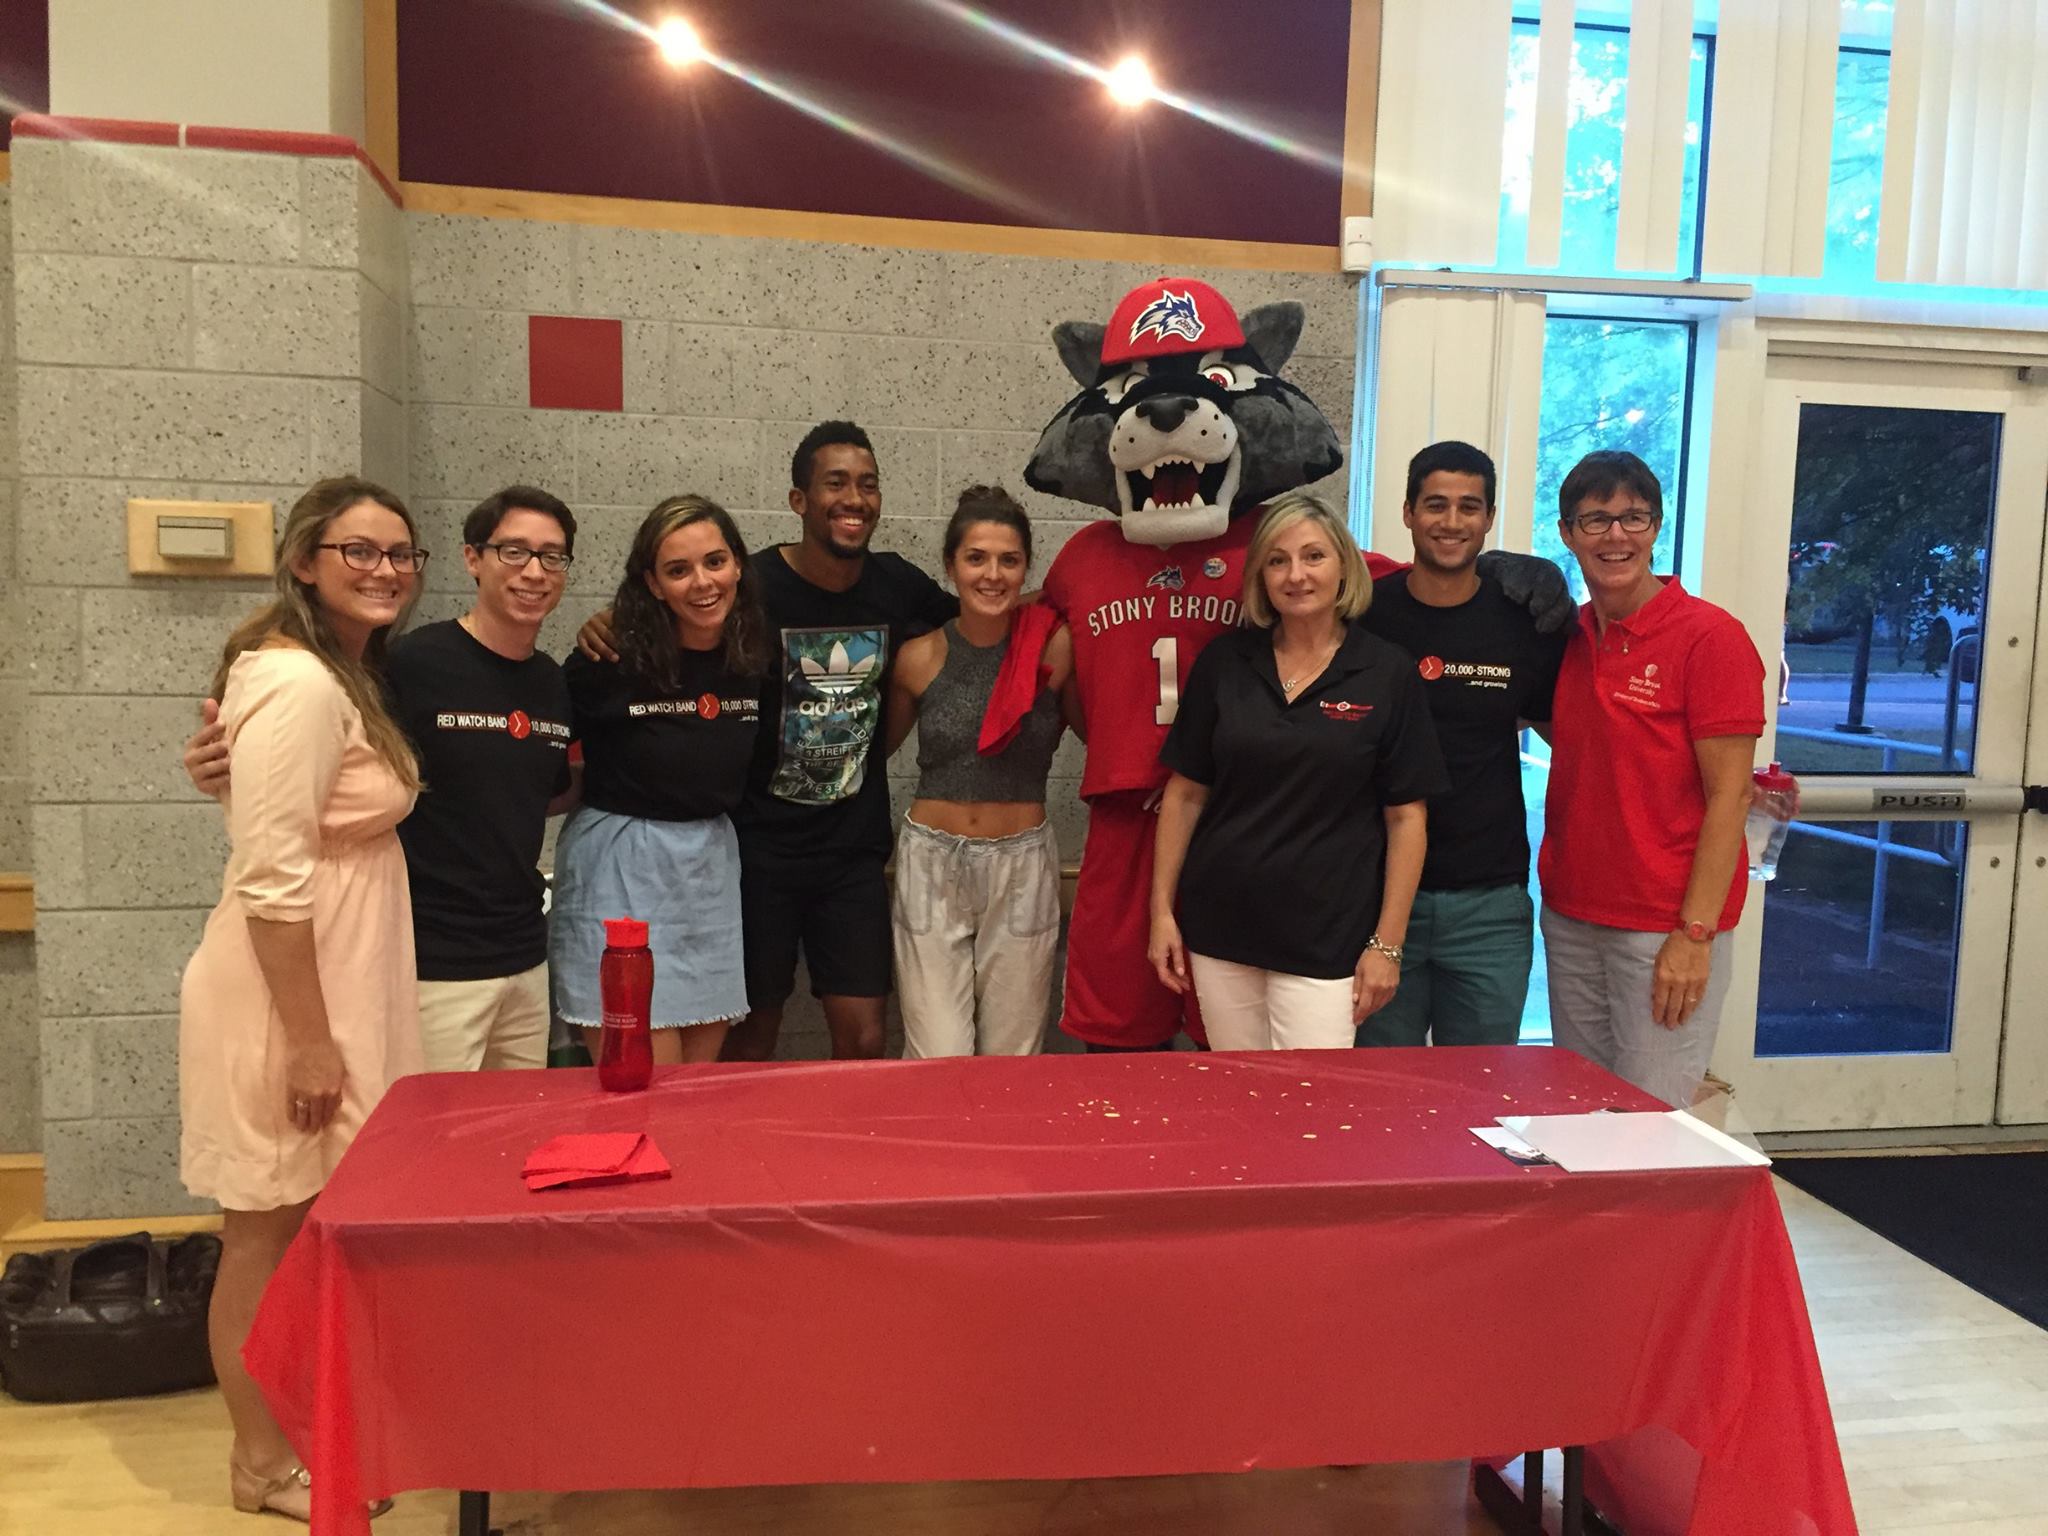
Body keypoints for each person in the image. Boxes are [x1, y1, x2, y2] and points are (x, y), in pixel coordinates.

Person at [178, 477, 426, 1520]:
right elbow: (273, 881)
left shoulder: (336, 675)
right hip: (283, 1003)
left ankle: (308, 1437)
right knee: (263, 1235)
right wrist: (313, 1043)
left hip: (332, 990)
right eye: (357, 550)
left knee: (310, 1228)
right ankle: (259, 1465)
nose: (384, 569)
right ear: (303, 561)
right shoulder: (297, 682)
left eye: (399, 552)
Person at [580, 421, 957, 1060]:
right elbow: (678, 604)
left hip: (852, 852)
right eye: (835, 483)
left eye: (867, 484)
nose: (854, 498)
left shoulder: (898, 584)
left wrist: (1061, 598)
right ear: (799, 500)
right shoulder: (749, 584)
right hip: (755, 851)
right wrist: (611, 619)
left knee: (866, 1036)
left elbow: (981, 614)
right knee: (750, 1034)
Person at [183, 487, 581, 1074]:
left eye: (552, 556)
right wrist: (223, 768)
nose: (534, 571)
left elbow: (541, 793)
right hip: (427, 960)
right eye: (514, 551)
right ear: (473, 558)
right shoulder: (405, 663)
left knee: (514, 1127)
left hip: (523, 955)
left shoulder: (551, 681)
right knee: (428, 1130)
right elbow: (308, 772)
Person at [1148, 492, 1448, 1049]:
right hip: (1221, 928)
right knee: (1239, 1090)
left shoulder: (1386, 672)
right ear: (1260, 576)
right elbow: (1185, 794)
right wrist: (1161, 911)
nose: (1296, 575)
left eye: (1314, 556)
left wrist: (1387, 944)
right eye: (1277, 560)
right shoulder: (1225, 664)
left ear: (1343, 567)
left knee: (1311, 1097)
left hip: (1327, 938)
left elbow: (1407, 818)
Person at [1540, 450, 1765, 1108]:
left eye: (1634, 517)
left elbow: (1732, 794)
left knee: (1651, 1123)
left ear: (1657, 527)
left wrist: (1694, 935)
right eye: (1596, 520)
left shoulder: (1710, 637)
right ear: (1567, 533)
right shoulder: (1568, 637)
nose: (1616, 536)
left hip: (1663, 925)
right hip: (1572, 914)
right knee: (1579, 1114)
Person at [1356, 442, 1568, 1048]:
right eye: (1436, 505)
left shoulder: (1524, 621)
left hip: (1489, 904)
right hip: (1376, 897)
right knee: (1380, 1087)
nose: (1452, 522)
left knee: (1481, 1088)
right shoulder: (1364, 617)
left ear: (1489, 518)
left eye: (1469, 507)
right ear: (1407, 512)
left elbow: (1571, 735)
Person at [554, 495, 767, 1064]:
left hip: (708, 870)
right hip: (622, 869)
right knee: (641, 1073)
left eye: (715, 562)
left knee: (694, 1083)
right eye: (678, 570)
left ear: (738, 565)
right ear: (652, 583)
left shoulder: (751, 655)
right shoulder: (608, 659)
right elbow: (544, 758)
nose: (703, 582)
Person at [882, 486, 1074, 1057]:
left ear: (1025, 568)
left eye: (1008, 560)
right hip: (931, 864)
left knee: (1012, 1055)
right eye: (976, 558)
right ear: (951, 566)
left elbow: (1103, 726)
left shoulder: (1055, 647)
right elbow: (869, 753)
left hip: (1022, 865)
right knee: (937, 1054)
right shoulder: (918, 656)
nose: (992, 575)